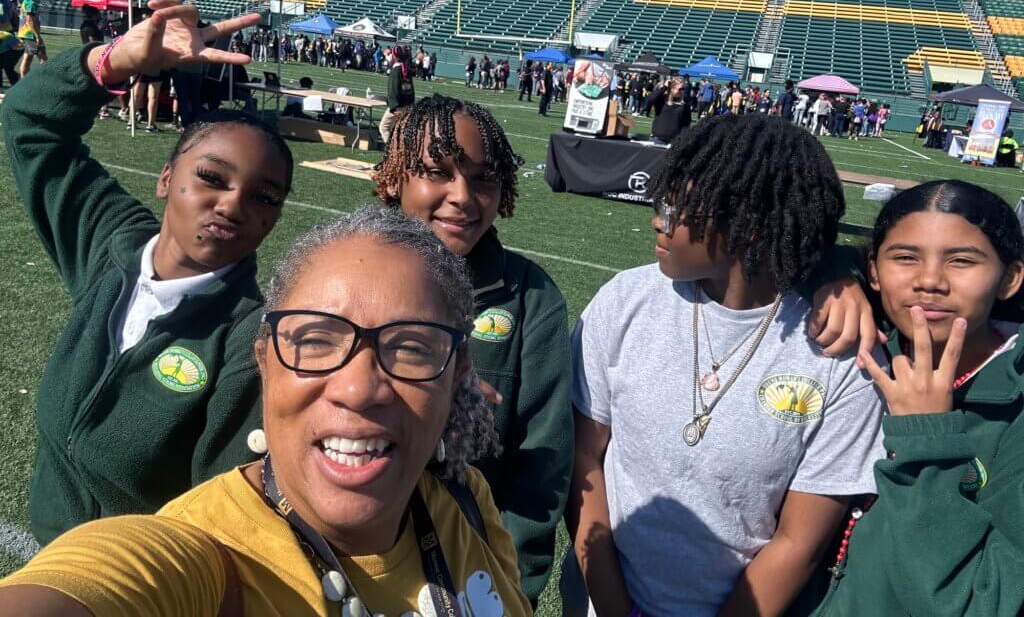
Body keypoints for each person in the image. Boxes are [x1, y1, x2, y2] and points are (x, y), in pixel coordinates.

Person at [0, 206, 532, 617]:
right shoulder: (205, 556)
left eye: (412, 346)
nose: (358, 388)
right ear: (265, 361)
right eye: (318, 340)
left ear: (458, 370)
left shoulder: (466, 502)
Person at [567, 114, 885, 617]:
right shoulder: (624, 300)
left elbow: (798, 543)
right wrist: (612, 607)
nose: (658, 219)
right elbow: (586, 463)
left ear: (750, 226)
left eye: (678, 207)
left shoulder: (839, 354)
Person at [3, 0, 292, 547]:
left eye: (265, 197)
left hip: (137, 586)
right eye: (211, 177)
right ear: (165, 179)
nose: (232, 206)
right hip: (50, 555)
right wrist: (111, 62)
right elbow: (29, 120)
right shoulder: (111, 242)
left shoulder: (246, 340)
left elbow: (222, 523)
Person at [374, 95, 572, 605]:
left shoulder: (531, 297)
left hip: (470, 578)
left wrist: (510, 586)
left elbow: (540, 469)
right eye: (436, 172)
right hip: (352, 560)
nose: (463, 196)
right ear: (395, 177)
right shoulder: (342, 273)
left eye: (483, 178)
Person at [805, 180, 1024, 616]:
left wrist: (927, 437)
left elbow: (989, 602)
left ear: (1010, 278)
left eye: (962, 261)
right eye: (904, 258)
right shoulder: (864, 339)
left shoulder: (1013, 407)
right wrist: (833, 274)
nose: (928, 281)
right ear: (873, 269)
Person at [379, 45, 415, 144]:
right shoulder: (406, 70)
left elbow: (393, 90)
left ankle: (391, 150)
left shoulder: (396, 70)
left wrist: (393, 107)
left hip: (398, 106)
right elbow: (409, 89)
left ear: (395, 57)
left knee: (383, 127)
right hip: (407, 105)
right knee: (400, 130)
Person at [17, 0, 46, 77]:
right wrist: (37, 36)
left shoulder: (27, 1)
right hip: (30, 34)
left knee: (27, 57)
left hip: (25, 33)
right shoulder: (30, 3)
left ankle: (23, 82)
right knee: (43, 59)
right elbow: (30, 20)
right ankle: (43, 83)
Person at [650, 76, 691, 145]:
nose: (682, 91)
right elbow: (650, 99)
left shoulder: (684, 104)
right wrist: (664, 87)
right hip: (657, 139)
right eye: (680, 89)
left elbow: (687, 123)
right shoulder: (661, 101)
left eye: (683, 89)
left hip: (674, 141)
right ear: (672, 89)